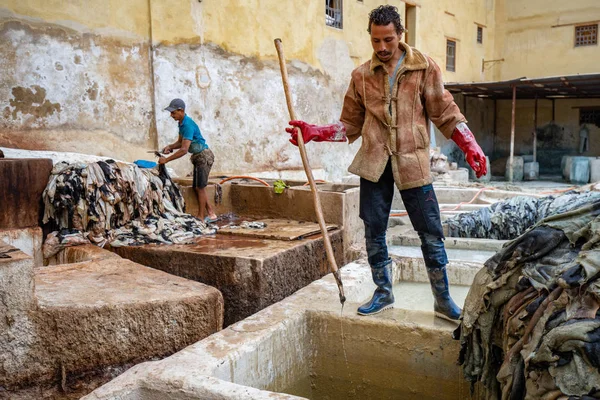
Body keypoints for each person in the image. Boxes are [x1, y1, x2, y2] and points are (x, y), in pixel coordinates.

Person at [285, 5, 487, 321]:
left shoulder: (424, 68)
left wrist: (470, 144)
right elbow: (349, 125)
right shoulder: (361, 76)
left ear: (400, 35)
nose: (382, 48)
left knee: (430, 231)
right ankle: (383, 292)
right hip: (374, 162)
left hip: (414, 164)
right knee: (374, 229)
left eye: (388, 40)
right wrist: (315, 132)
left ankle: (443, 299)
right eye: (376, 41)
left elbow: (446, 113)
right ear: (370, 38)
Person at [160, 98, 218, 223]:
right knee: (198, 187)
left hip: (203, 156)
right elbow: (180, 142)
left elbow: (184, 149)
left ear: (181, 111)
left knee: (200, 187)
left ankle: (201, 217)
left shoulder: (187, 124)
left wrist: (167, 160)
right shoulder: (181, 123)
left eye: (173, 112)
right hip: (198, 157)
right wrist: (170, 147)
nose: (171, 115)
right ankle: (211, 214)